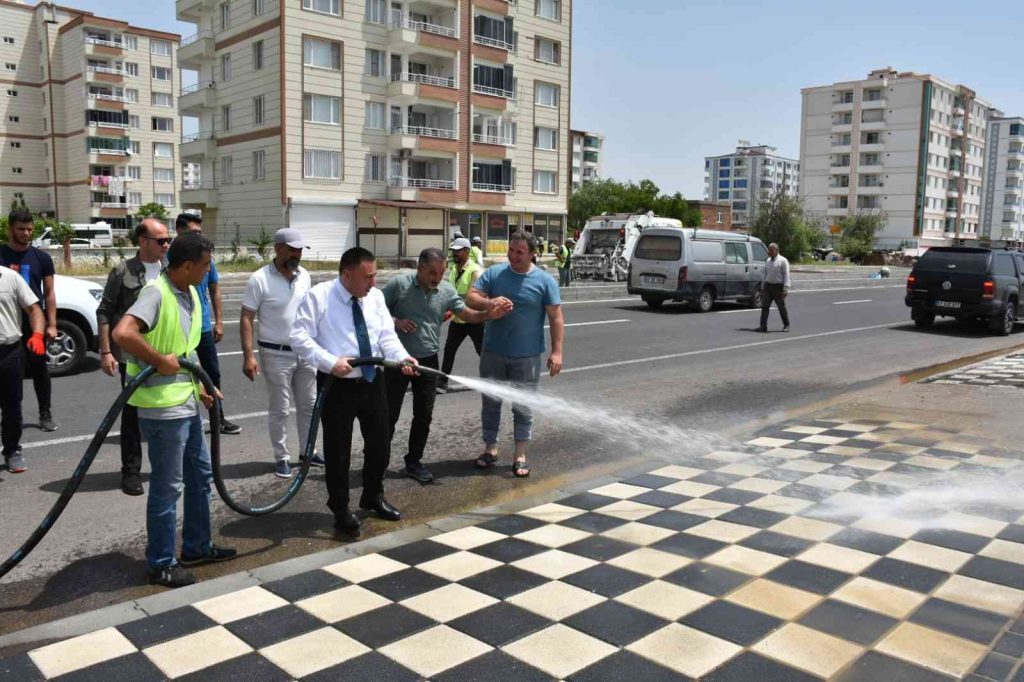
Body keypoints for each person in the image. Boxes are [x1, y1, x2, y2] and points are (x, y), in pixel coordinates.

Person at [112, 231, 237, 588]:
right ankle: (161, 562)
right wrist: (158, 360)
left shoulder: (192, 294)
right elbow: (123, 333)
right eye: (205, 265)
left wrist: (201, 385)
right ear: (186, 266)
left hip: (185, 403)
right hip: (160, 410)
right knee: (168, 487)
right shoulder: (156, 292)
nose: (208, 271)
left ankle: (197, 546)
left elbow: (186, 349)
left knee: (200, 477)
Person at [291, 247, 418, 536]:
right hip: (337, 385)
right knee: (338, 450)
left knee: (380, 443)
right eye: (367, 277)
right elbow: (299, 337)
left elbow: (386, 335)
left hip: (373, 380)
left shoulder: (375, 297)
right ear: (347, 275)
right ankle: (340, 508)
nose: (373, 282)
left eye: (374, 276)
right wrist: (329, 361)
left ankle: (372, 496)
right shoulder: (319, 296)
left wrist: (403, 358)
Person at [383, 248, 507, 483]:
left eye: (441, 273)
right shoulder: (399, 285)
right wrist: (395, 321)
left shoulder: (447, 290)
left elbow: (467, 314)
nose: (436, 278)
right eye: (431, 272)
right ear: (419, 267)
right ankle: (378, 462)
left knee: (424, 415)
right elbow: (374, 311)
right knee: (388, 414)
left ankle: (414, 461)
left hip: (428, 361)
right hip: (396, 359)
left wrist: (488, 314)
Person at [467, 231, 564, 478]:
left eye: (519, 252)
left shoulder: (544, 281)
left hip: (527, 355)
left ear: (533, 254)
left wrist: (557, 352)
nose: (513, 255)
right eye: (511, 250)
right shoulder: (495, 274)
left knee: (523, 407)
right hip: (493, 351)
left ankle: (520, 455)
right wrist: (490, 303)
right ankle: (490, 448)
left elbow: (556, 317)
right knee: (490, 403)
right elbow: (472, 297)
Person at [240, 228, 324, 479]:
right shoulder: (259, 279)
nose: (296, 254)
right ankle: (282, 457)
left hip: (305, 352)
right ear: (277, 249)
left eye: (299, 249)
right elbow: (247, 318)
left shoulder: (305, 276)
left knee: (309, 406)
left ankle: (308, 451)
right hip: (275, 354)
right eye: (292, 249)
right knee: (280, 408)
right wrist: (249, 355)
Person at [97, 218, 171, 496]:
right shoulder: (122, 271)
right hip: (132, 356)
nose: (166, 245)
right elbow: (104, 311)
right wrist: (105, 351)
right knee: (132, 416)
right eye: (160, 240)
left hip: (165, 352)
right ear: (143, 241)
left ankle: (166, 467)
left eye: (168, 240)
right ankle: (130, 472)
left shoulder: (171, 270)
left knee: (167, 412)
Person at [174, 213, 241, 435]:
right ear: (179, 231)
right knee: (183, 375)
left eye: (200, 233)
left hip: (201, 327)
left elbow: (215, 289)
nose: (198, 237)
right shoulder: (172, 260)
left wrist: (219, 321)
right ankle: (185, 421)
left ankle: (218, 418)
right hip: (181, 329)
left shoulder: (206, 259)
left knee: (212, 373)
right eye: (194, 232)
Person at [0, 210, 58, 432]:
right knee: (9, 373)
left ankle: (45, 413)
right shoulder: (2, 255)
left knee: (39, 370)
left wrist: (52, 324)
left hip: (35, 322)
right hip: (7, 322)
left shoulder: (41, 258)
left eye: (30, 229)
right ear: (10, 229)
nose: (26, 233)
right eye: (21, 229)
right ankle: (13, 415)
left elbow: (50, 293)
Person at [0, 265, 45, 473]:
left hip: (8, 351)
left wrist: (37, 334)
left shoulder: (10, 277)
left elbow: (34, 309)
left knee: (12, 406)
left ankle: (12, 451)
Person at [438, 238, 484, 393]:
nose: (454, 253)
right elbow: (451, 294)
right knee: (449, 350)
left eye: (457, 250)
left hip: (474, 319)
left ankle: (492, 379)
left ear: (467, 251)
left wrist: (452, 310)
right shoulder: (453, 270)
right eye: (453, 251)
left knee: (482, 351)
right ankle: (442, 383)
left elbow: (473, 298)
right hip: (458, 320)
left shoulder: (475, 271)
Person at [759, 242, 791, 333]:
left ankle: (786, 325)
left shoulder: (783, 261)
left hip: (778, 287)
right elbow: (765, 275)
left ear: (777, 250)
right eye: (769, 250)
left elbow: (786, 275)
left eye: (772, 250)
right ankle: (763, 326)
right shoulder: (767, 261)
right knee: (764, 307)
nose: (770, 252)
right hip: (768, 287)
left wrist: (785, 289)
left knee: (781, 307)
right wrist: (762, 287)